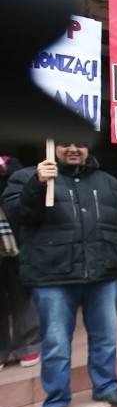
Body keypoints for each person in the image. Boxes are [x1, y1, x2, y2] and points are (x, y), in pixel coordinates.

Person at [3, 140, 117, 407]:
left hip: (102, 275)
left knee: (105, 338)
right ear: (51, 145)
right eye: (64, 143)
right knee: (56, 344)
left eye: (80, 143)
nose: (73, 148)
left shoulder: (109, 182)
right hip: (53, 278)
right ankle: (56, 402)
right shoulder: (27, 177)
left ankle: (105, 386)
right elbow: (18, 216)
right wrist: (38, 184)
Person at [0, 152, 40, 371]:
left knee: (22, 291)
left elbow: (24, 184)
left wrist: (4, 169)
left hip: (12, 237)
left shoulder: (11, 162)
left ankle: (28, 345)